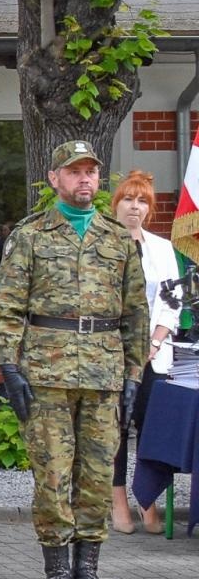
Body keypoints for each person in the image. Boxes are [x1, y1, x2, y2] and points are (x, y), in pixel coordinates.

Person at [0, 140, 148, 579]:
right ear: (55, 178)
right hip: (47, 372)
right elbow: (9, 306)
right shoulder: (31, 234)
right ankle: (56, 576)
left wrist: (134, 372)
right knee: (53, 476)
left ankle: (87, 575)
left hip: (103, 370)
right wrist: (9, 366)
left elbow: (136, 312)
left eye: (91, 173)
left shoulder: (118, 239)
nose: (84, 179)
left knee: (98, 476)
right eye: (74, 172)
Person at [108, 170, 181, 533]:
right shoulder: (102, 244)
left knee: (151, 426)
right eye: (128, 200)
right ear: (116, 204)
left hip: (154, 352)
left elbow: (172, 299)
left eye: (142, 201)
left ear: (149, 209)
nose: (134, 207)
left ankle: (147, 497)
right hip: (110, 354)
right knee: (116, 427)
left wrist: (154, 341)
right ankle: (117, 499)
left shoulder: (162, 248)